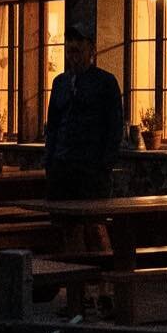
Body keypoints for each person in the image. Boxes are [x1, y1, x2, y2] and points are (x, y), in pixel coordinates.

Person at [43, 29, 122, 265]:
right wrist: (51, 160)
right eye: (70, 51)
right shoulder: (60, 83)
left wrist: (104, 163)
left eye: (78, 50)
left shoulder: (105, 83)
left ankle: (104, 286)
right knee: (67, 229)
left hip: (91, 168)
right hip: (63, 166)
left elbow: (114, 125)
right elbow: (53, 125)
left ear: (91, 51)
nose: (73, 56)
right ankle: (77, 288)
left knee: (95, 226)